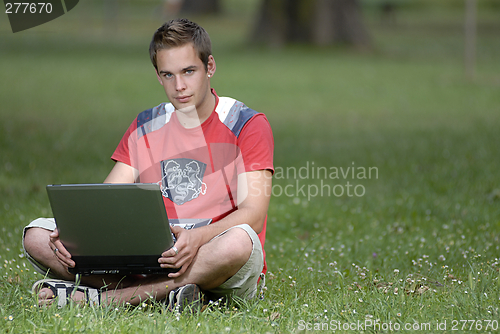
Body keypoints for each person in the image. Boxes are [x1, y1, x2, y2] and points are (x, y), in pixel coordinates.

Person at [23, 18, 274, 311]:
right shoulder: (147, 125)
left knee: (240, 242)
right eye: (168, 75)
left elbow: (253, 215)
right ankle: (168, 295)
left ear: (210, 67)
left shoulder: (246, 124)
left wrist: (197, 238)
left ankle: (107, 299)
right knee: (36, 235)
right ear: (158, 76)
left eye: (189, 71)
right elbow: (106, 200)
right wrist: (75, 232)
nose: (179, 86)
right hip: (150, 257)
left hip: (209, 252)